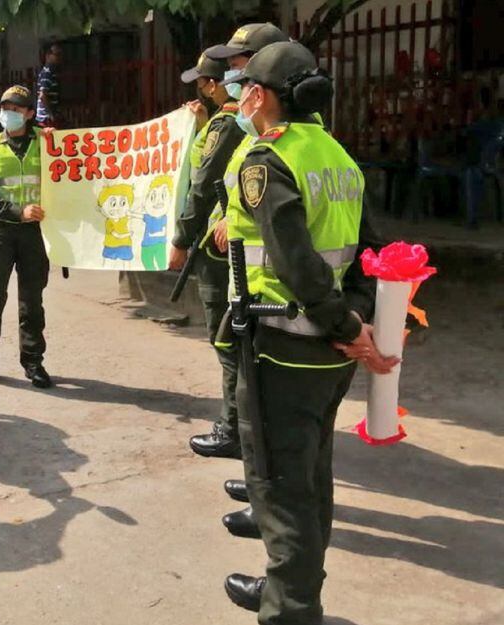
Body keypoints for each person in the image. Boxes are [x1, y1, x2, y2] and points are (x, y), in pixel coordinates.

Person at [216, 42, 398, 623]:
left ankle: (291, 610)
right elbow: (368, 249)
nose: (239, 93)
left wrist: (348, 325)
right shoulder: (336, 154)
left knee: (279, 486)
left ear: (261, 95)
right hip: (330, 353)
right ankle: (288, 588)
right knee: (312, 473)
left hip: (281, 348)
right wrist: (357, 325)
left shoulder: (265, 160)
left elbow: (297, 264)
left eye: (246, 84)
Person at [181, 23, 292, 463]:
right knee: (241, 349)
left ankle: (242, 436)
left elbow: (219, 184)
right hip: (247, 260)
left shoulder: (280, 134)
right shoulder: (253, 126)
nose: (233, 79)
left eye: (239, 68)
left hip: (260, 269)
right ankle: (249, 440)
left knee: (236, 348)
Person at [0, 85, 52, 389]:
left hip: (35, 233)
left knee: (32, 300)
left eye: (16, 109)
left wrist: (58, 139)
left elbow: (70, 170)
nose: (9, 114)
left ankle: (33, 363)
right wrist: (18, 211)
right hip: (1, 230)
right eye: (5, 108)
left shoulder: (47, 143)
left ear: (30, 114)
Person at [35, 43, 62, 128]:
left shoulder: (51, 72)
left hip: (48, 118)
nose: (59, 57)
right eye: (57, 54)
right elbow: (42, 95)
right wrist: (51, 115)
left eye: (60, 54)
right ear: (48, 55)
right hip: (46, 119)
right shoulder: (47, 72)